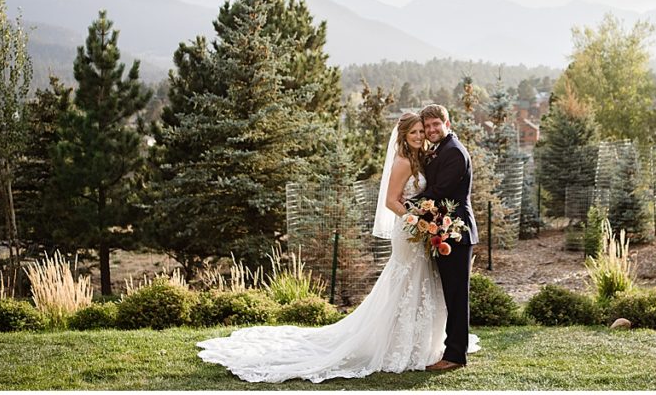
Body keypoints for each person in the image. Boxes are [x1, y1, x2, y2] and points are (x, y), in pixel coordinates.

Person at [196, 111, 478, 383]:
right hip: (411, 230)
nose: (422, 134)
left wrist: (424, 218)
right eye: (417, 130)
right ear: (404, 135)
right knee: (406, 283)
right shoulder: (405, 160)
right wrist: (415, 218)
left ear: (444, 124)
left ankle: (425, 344)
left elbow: (438, 193)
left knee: (424, 286)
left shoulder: (432, 154)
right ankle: (403, 344)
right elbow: (393, 200)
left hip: (430, 230)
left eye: (426, 128)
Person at [417, 103, 478, 372]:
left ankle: (455, 355)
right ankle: (451, 348)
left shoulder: (453, 153)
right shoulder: (440, 150)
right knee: (450, 294)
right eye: (427, 126)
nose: (431, 130)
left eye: (435, 125)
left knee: (456, 296)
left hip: (456, 233)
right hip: (444, 231)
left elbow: (439, 192)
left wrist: (406, 204)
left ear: (447, 124)